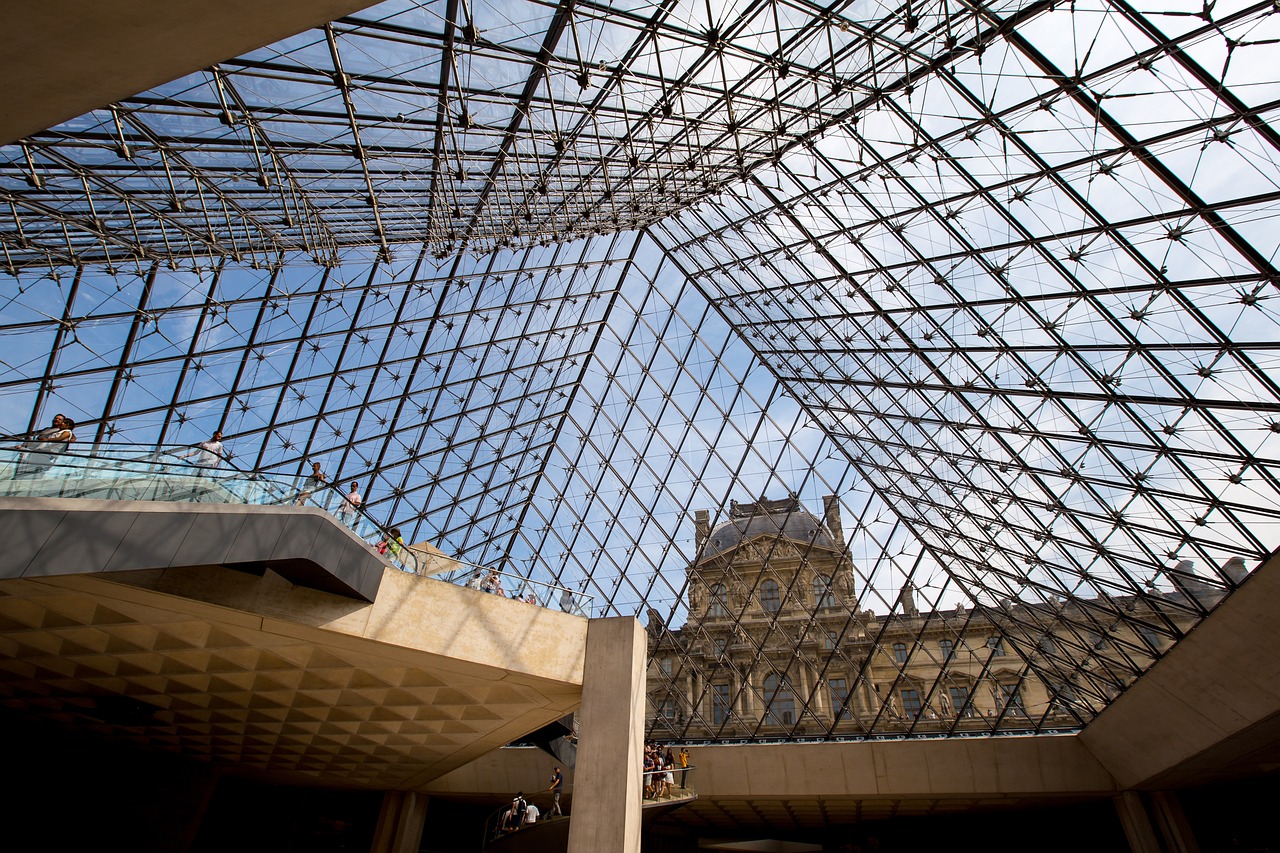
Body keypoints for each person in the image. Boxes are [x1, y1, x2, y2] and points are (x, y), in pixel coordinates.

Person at [15, 413, 76, 478]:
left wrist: (69, 441)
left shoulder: (65, 431)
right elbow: (37, 441)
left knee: (35, 469)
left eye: (60, 420)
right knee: (27, 466)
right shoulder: (47, 429)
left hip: (48, 453)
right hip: (39, 450)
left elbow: (69, 438)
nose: (57, 420)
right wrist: (25, 445)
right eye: (55, 418)